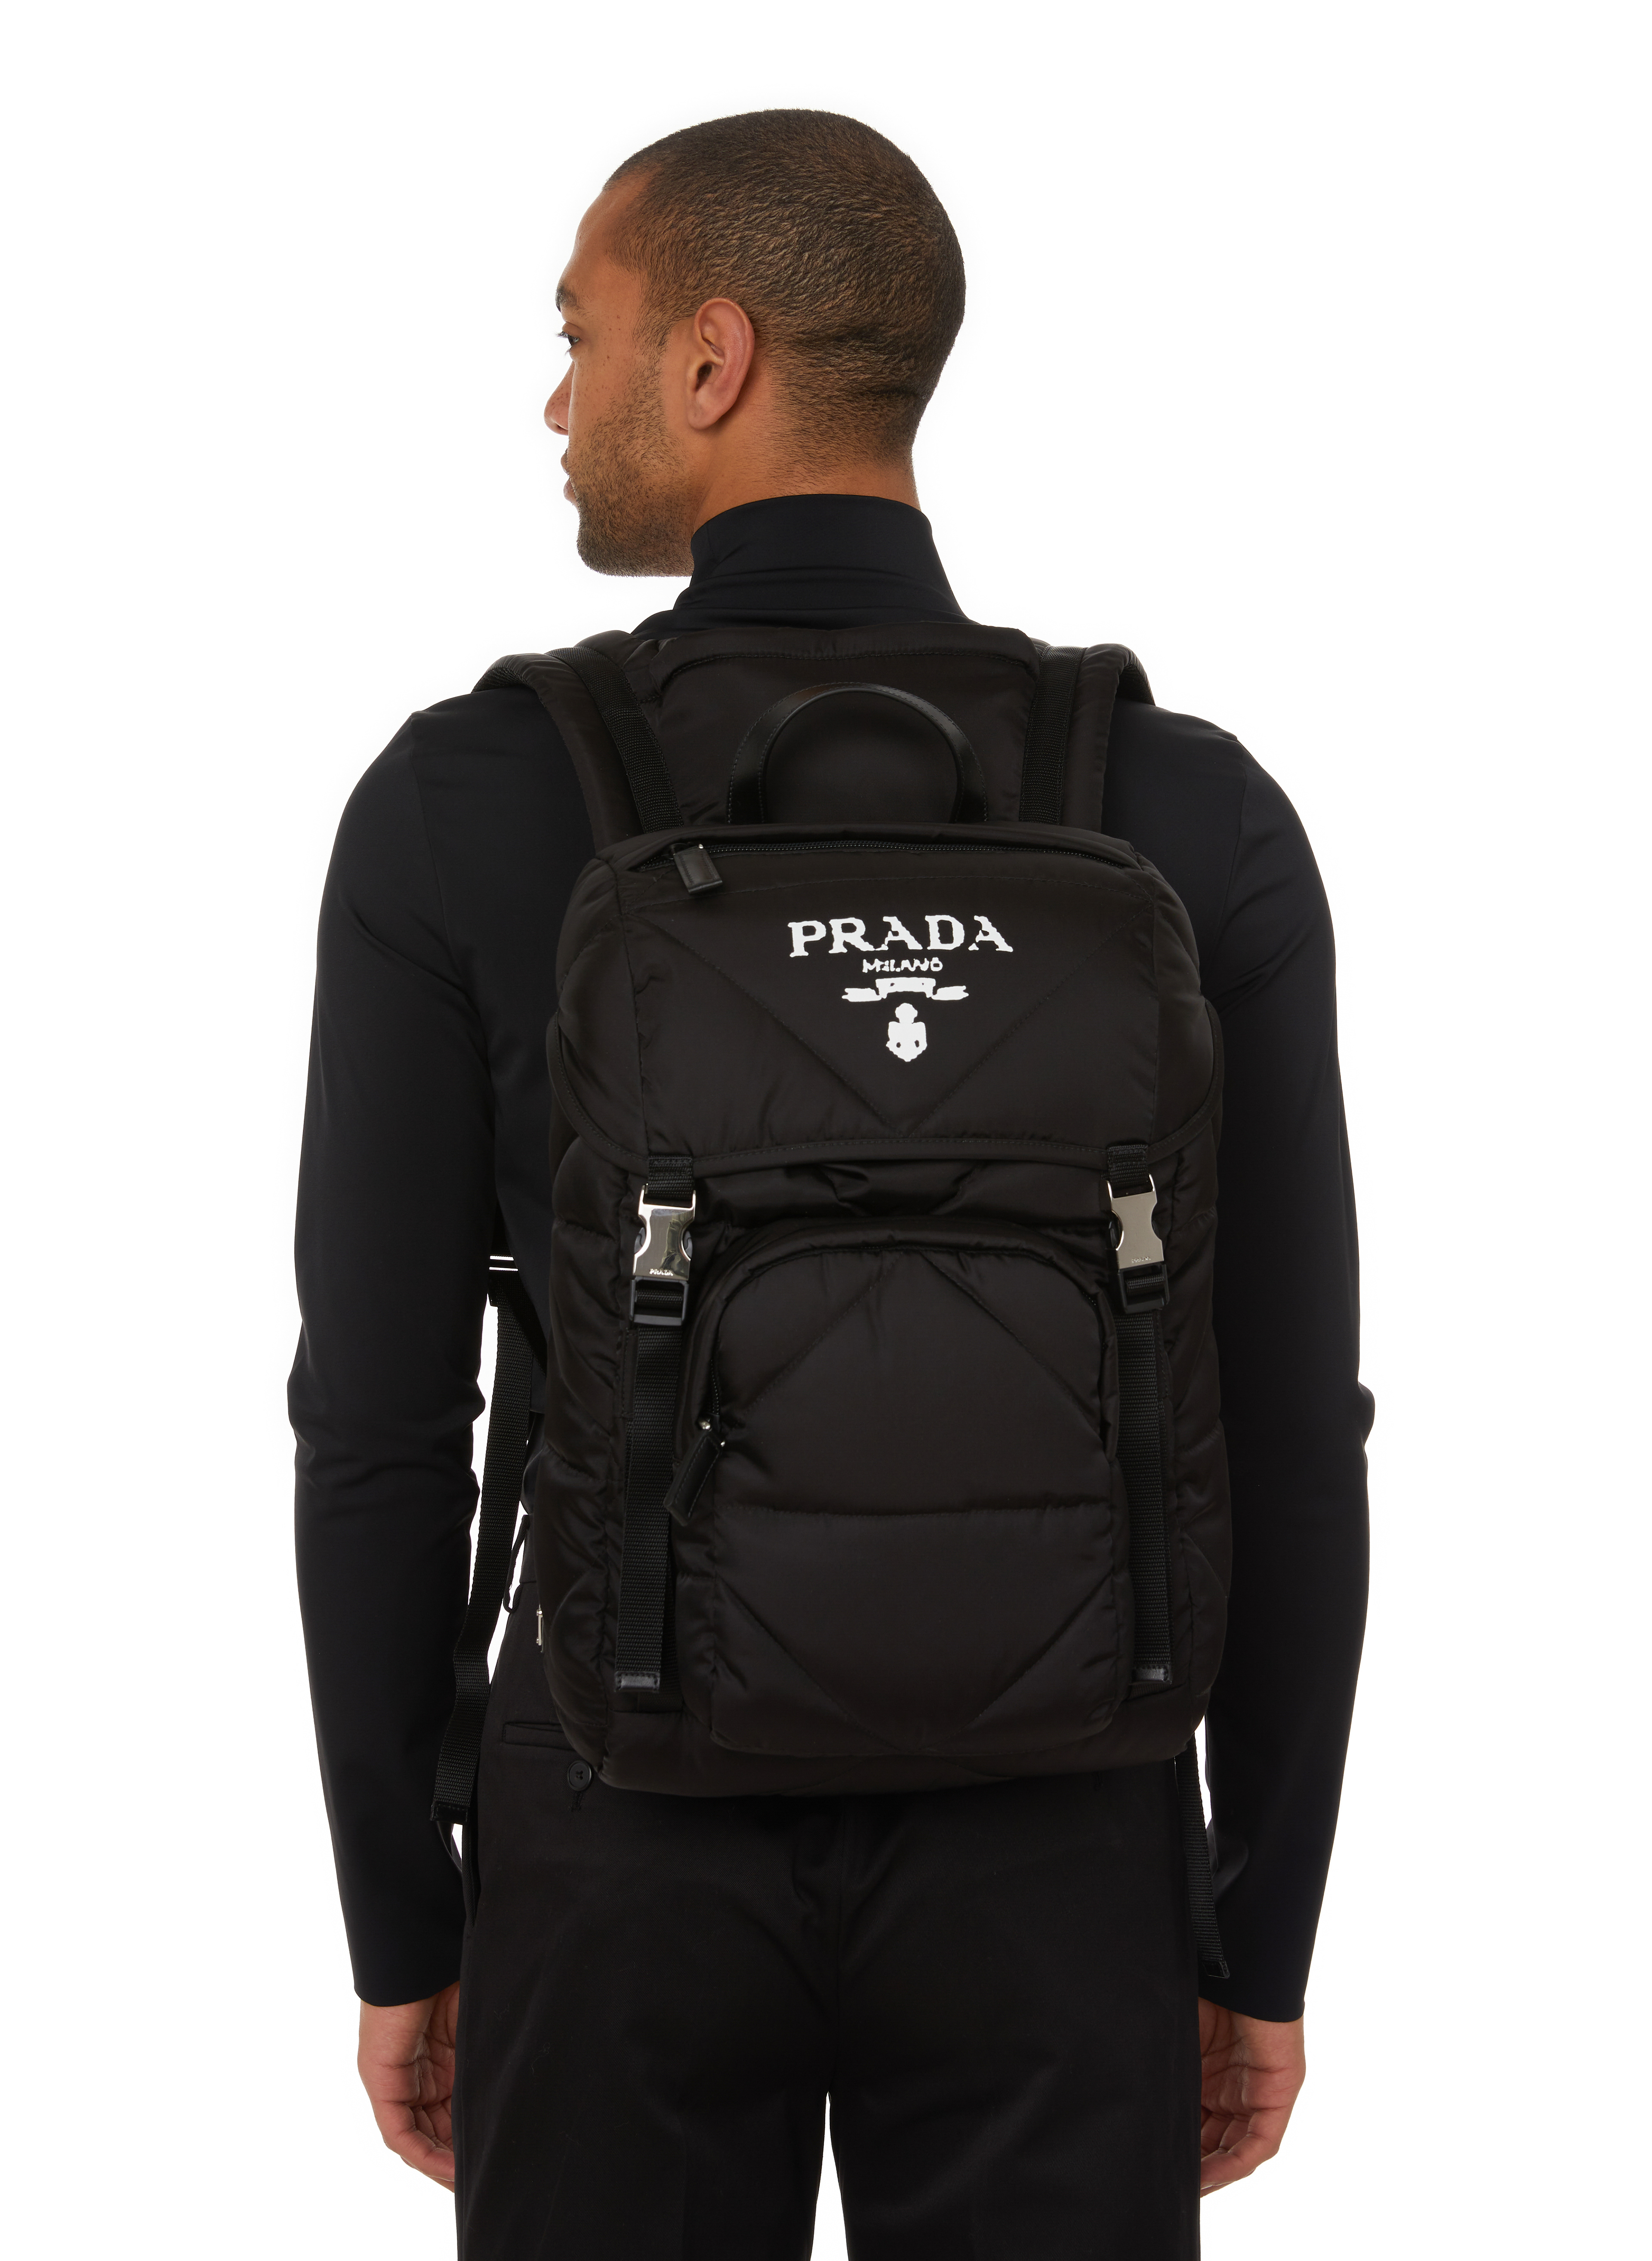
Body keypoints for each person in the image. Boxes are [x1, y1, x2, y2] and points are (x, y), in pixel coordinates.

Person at [290, 108, 1370, 2259]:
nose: (557, 402)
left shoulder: (463, 801)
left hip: (616, 1818)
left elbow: (381, 1431)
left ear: (713, 359)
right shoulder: (1186, 810)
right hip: (1064, 1833)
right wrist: (1255, 1930)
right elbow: (1288, 1424)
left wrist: (407, 1914)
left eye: (580, 336)